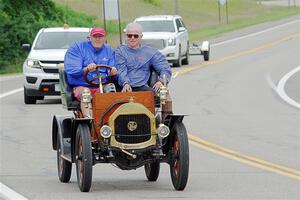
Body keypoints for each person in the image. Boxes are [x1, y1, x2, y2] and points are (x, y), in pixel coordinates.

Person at [64, 27, 117, 117]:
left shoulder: (109, 51)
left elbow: (112, 69)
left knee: (111, 90)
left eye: (100, 36)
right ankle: (89, 119)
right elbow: (73, 71)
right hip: (82, 85)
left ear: (104, 38)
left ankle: (110, 118)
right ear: (89, 37)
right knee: (85, 93)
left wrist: (113, 72)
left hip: (101, 85)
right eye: (95, 36)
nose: (98, 39)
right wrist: (86, 69)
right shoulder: (77, 48)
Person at [115, 22, 171, 93]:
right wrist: (125, 83)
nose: (132, 38)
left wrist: (161, 81)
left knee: (156, 96)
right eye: (129, 35)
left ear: (141, 36)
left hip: (142, 87)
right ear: (126, 36)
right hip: (124, 87)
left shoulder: (150, 52)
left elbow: (165, 68)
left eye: (135, 36)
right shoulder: (120, 51)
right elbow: (121, 70)